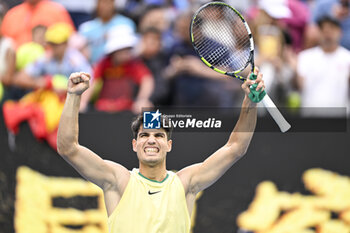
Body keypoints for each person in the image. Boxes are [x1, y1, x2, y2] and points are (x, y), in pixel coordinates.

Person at [56, 67, 265, 232]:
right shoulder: (118, 181)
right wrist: (73, 96)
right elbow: (68, 149)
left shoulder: (185, 183)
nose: (151, 140)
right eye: (144, 135)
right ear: (134, 144)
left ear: (169, 145)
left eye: (159, 135)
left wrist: (250, 103)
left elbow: (236, 147)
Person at [91, 26, 154, 113]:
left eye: (128, 49)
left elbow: (147, 80)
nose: (128, 53)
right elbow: (92, 82)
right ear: (115, 51)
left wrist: (142, 100)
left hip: (126, 109)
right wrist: (83, 102)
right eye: (124, 50)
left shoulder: (133, 63)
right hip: (103, 108)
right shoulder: (104, 63)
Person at [296, 16, 350, 116]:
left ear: (340, 32)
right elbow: (299, 85)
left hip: (341, 119)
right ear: (319, 33)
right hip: (311, 117)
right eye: (324, 30)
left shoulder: (347, 58)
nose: (328, 34)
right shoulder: (305, 57)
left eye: (332, 30)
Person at [78, 0, 136, 64]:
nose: (105, 6)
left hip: (122, 68)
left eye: (109, 2)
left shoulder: (126, 24)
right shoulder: (86, 28)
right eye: (102, 2)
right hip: (94, 69)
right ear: (97, 4)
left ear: (114, 3)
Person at [1, 0, 74, 48]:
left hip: (49, 66)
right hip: (15, 66)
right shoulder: (12, 14)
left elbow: (71, 42)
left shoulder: (57, 11)